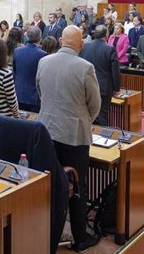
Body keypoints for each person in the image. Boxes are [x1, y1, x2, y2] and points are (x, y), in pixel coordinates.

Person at [36, 26, 101, 252]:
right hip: (74, 136)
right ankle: (80, 238)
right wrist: (82, 120)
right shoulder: (85, 67)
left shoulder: (44, 61)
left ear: (61, 40)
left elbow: (40, 92)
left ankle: (49, 231)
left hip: (46, 132)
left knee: (53, 182)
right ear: (81, 44)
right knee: (77, 186)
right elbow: (95, 104)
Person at [80, 25, 121, 126]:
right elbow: (115, 71)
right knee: (102, 114)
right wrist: (116, 88)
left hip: (87, 85)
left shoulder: (85, 46)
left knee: (88, 112)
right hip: (104, 87)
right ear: (106, 35)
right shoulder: (110, 48)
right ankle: (102, 138)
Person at [13, 26, 47, 113]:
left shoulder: (17, 51)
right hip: (34, 96)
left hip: (18, 93)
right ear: (40, 38)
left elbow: (15, 72)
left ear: (27, 36)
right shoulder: (43, 54)